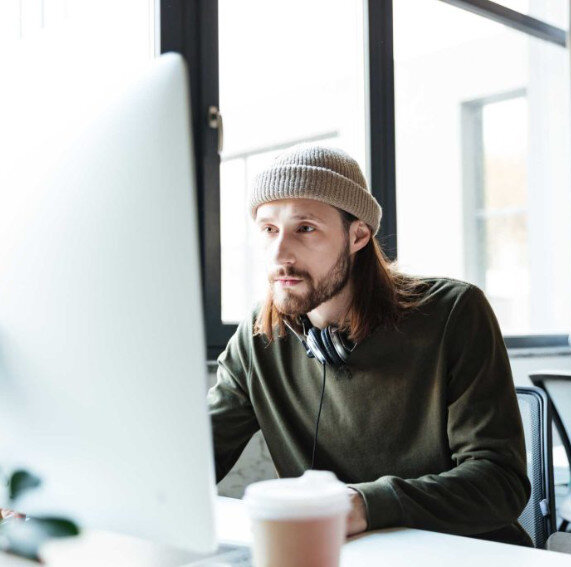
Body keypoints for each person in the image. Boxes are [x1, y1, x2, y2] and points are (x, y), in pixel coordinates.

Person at [208, 145, 531, 545]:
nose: (280, 254)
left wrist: (364, 504)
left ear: (358, 234)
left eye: (305, 228)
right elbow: (198, 456)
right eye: (269, 230)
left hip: (464, 554)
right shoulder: (259, 339)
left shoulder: (454, 314)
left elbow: (500, 483)